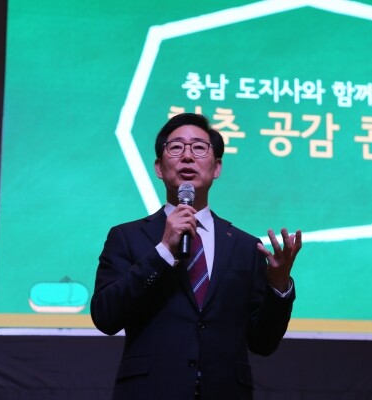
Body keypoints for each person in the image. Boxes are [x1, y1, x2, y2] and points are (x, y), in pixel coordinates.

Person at [91, 112, 302, 400]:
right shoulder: (126, 237)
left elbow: (263, 343)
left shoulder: (245, 247)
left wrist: (278, 286)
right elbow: (105, 317)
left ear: (217, 167)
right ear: (159, 168)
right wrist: (163, 251)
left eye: (199, 148)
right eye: (176, 147)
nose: (188, 156)